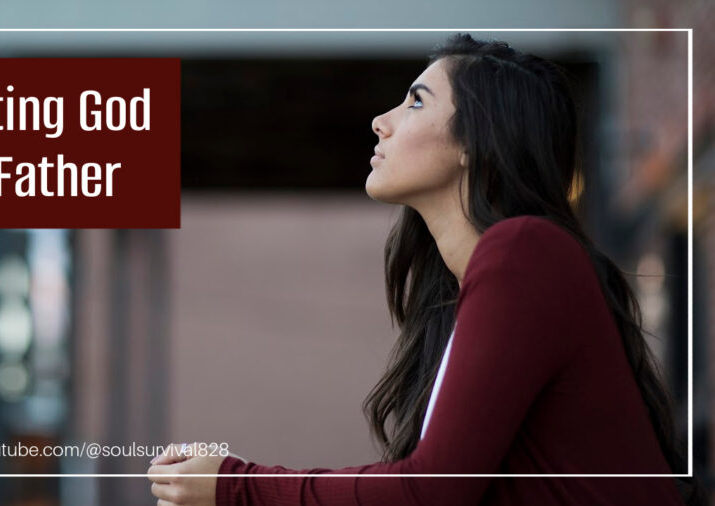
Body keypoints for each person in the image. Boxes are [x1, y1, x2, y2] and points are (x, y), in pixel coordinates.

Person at [147, 33, 705, 505]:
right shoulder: (491, 280)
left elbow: (432, 489)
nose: (380, 121)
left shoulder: (526, 252)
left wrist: (236, 486)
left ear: (476, 142)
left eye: (415, 102)